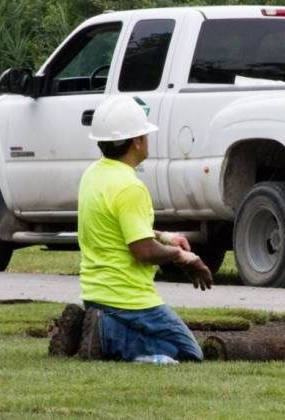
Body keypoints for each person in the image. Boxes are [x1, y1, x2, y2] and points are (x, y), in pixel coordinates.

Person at [48, 96, 213, 362]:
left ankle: (91, 327)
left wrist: (167, 237)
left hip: (95, 295)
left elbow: (120, 224)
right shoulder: (130, 187)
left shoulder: (93, 174)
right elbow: (143, 251)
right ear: (136, 141)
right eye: (145, 133)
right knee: (188, 353)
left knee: (169, 345)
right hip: (128, 299)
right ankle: (106, 333)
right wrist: (183, 257)